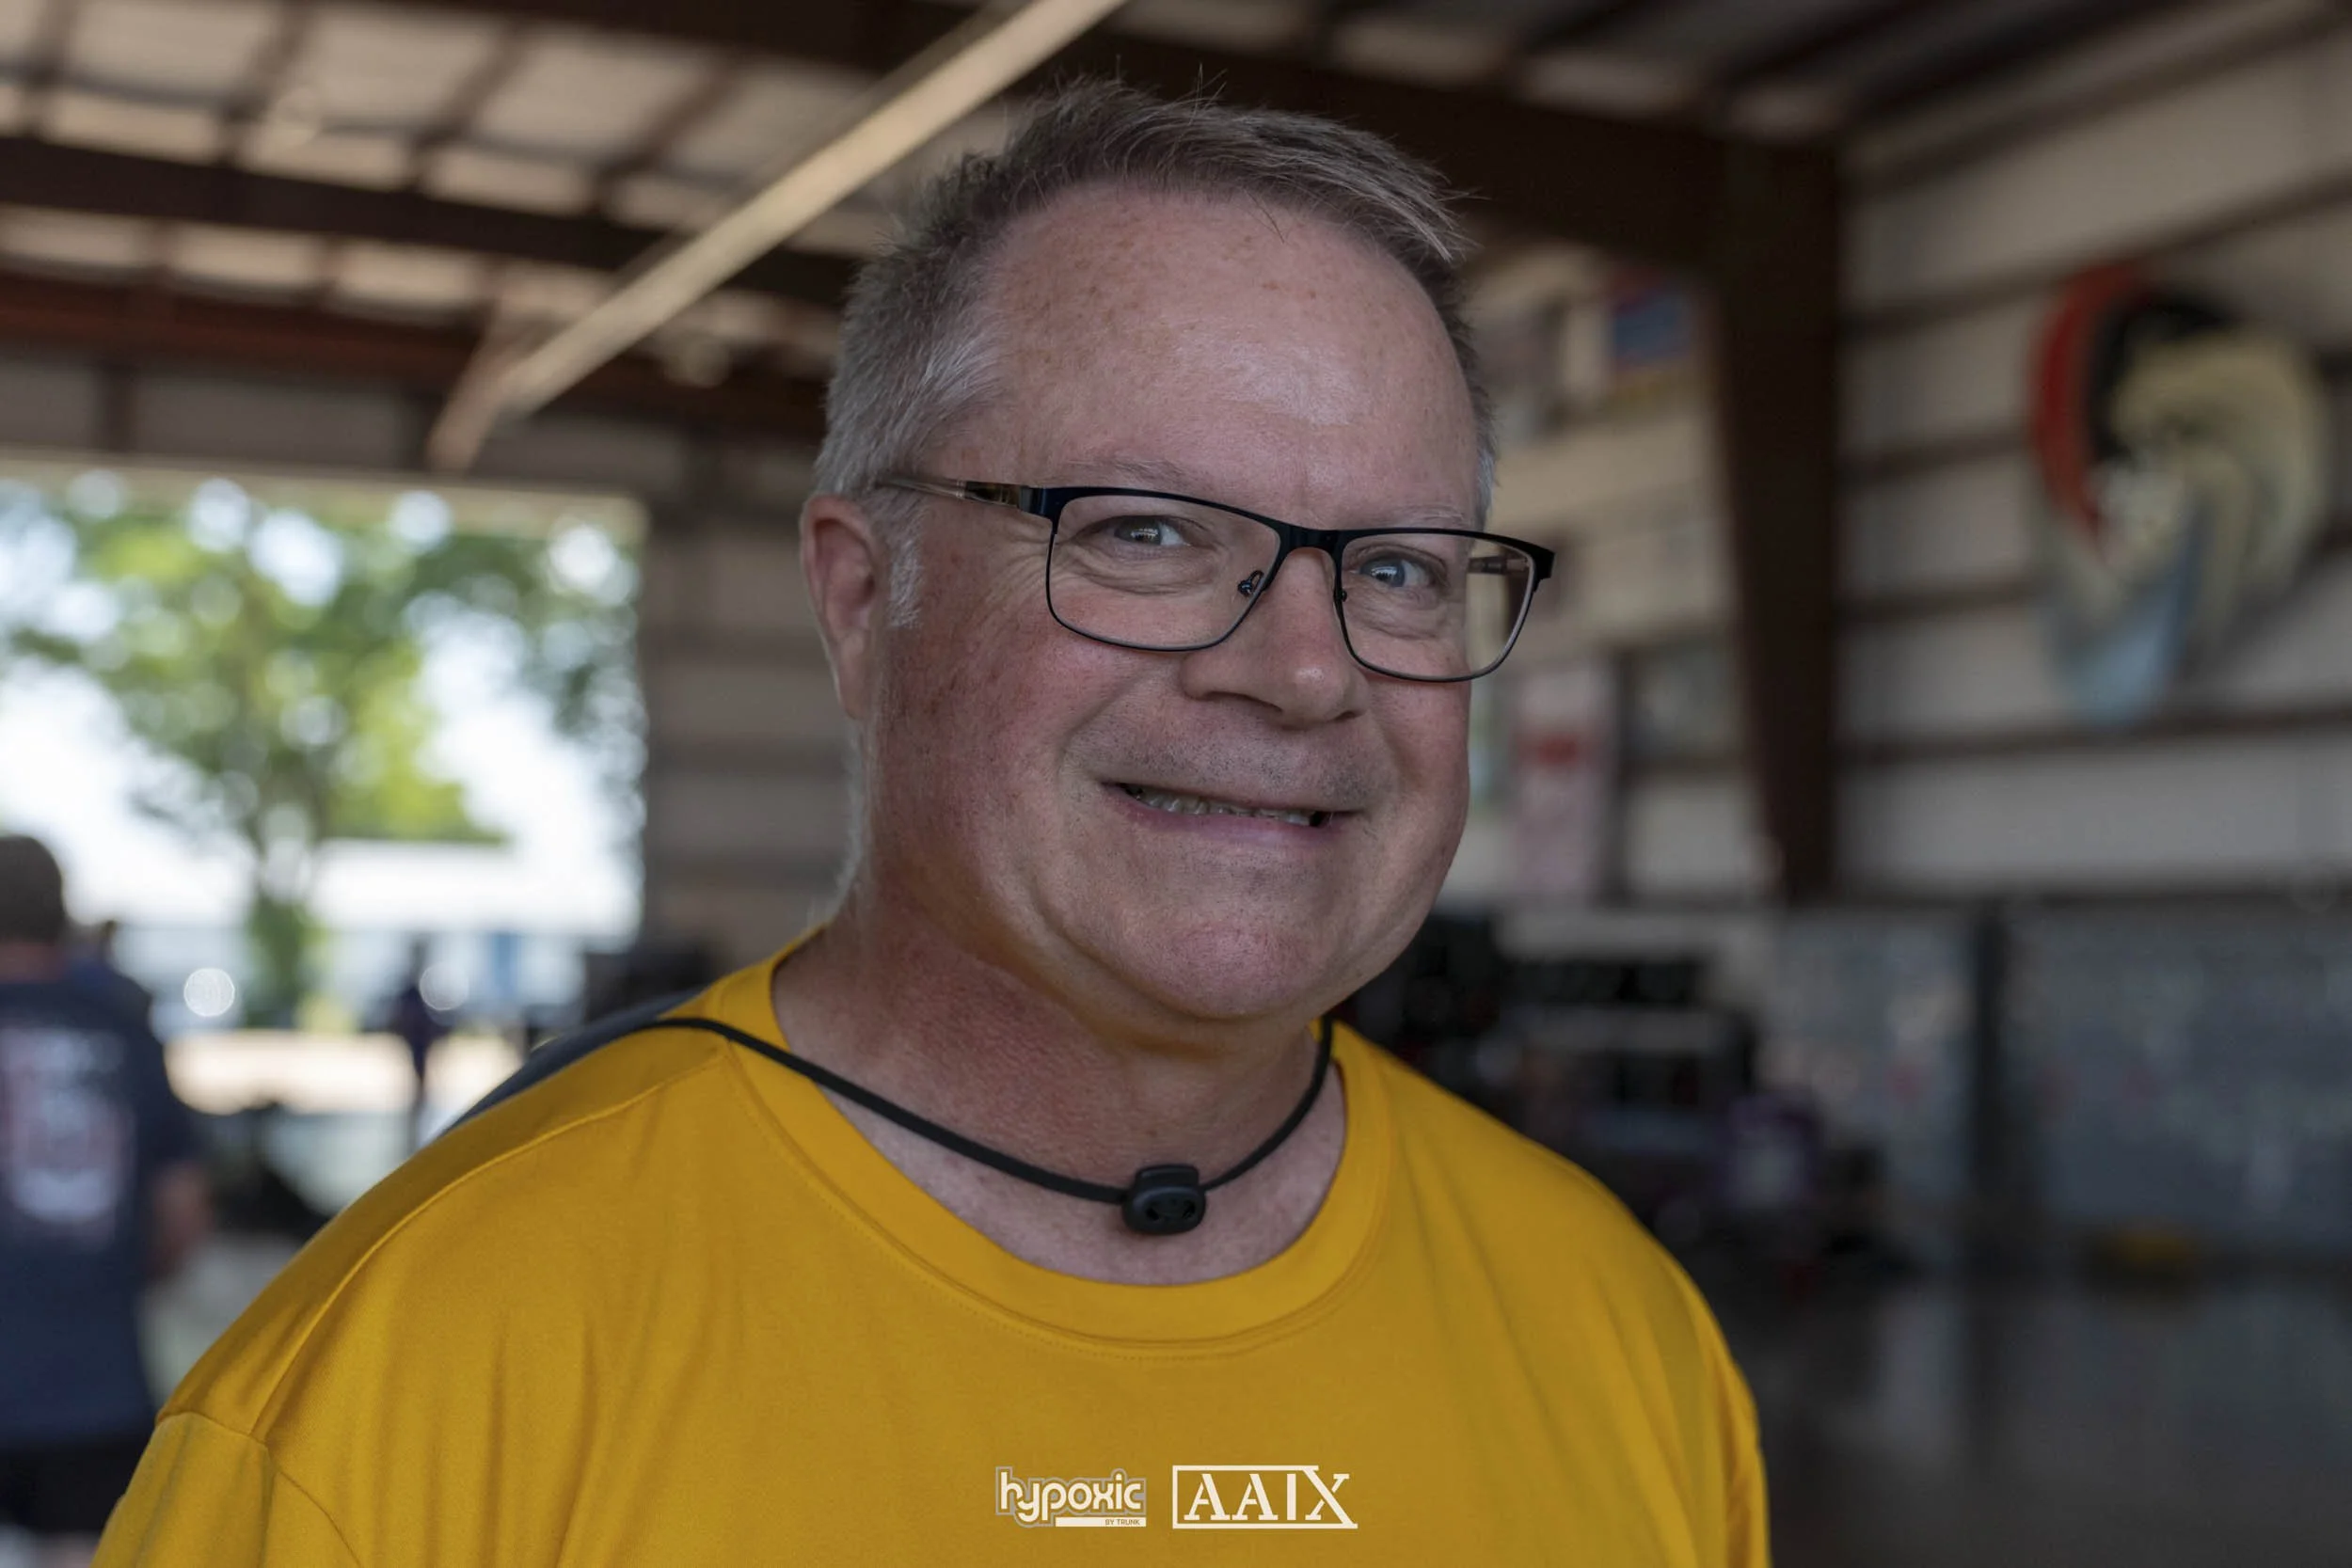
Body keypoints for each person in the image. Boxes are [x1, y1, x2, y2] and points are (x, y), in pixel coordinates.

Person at [97, 84, 1766, 1563]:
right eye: (1148, 533)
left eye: (1396, 566)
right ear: (858, 597)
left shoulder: (1618, 1333)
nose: (1303, 669)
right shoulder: (413, 1373)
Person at [0, 836, 209, 1568]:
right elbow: (185, 1212)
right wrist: (117, 1274)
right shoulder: (122, 1024)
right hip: (93, 1386)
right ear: (61, 914)